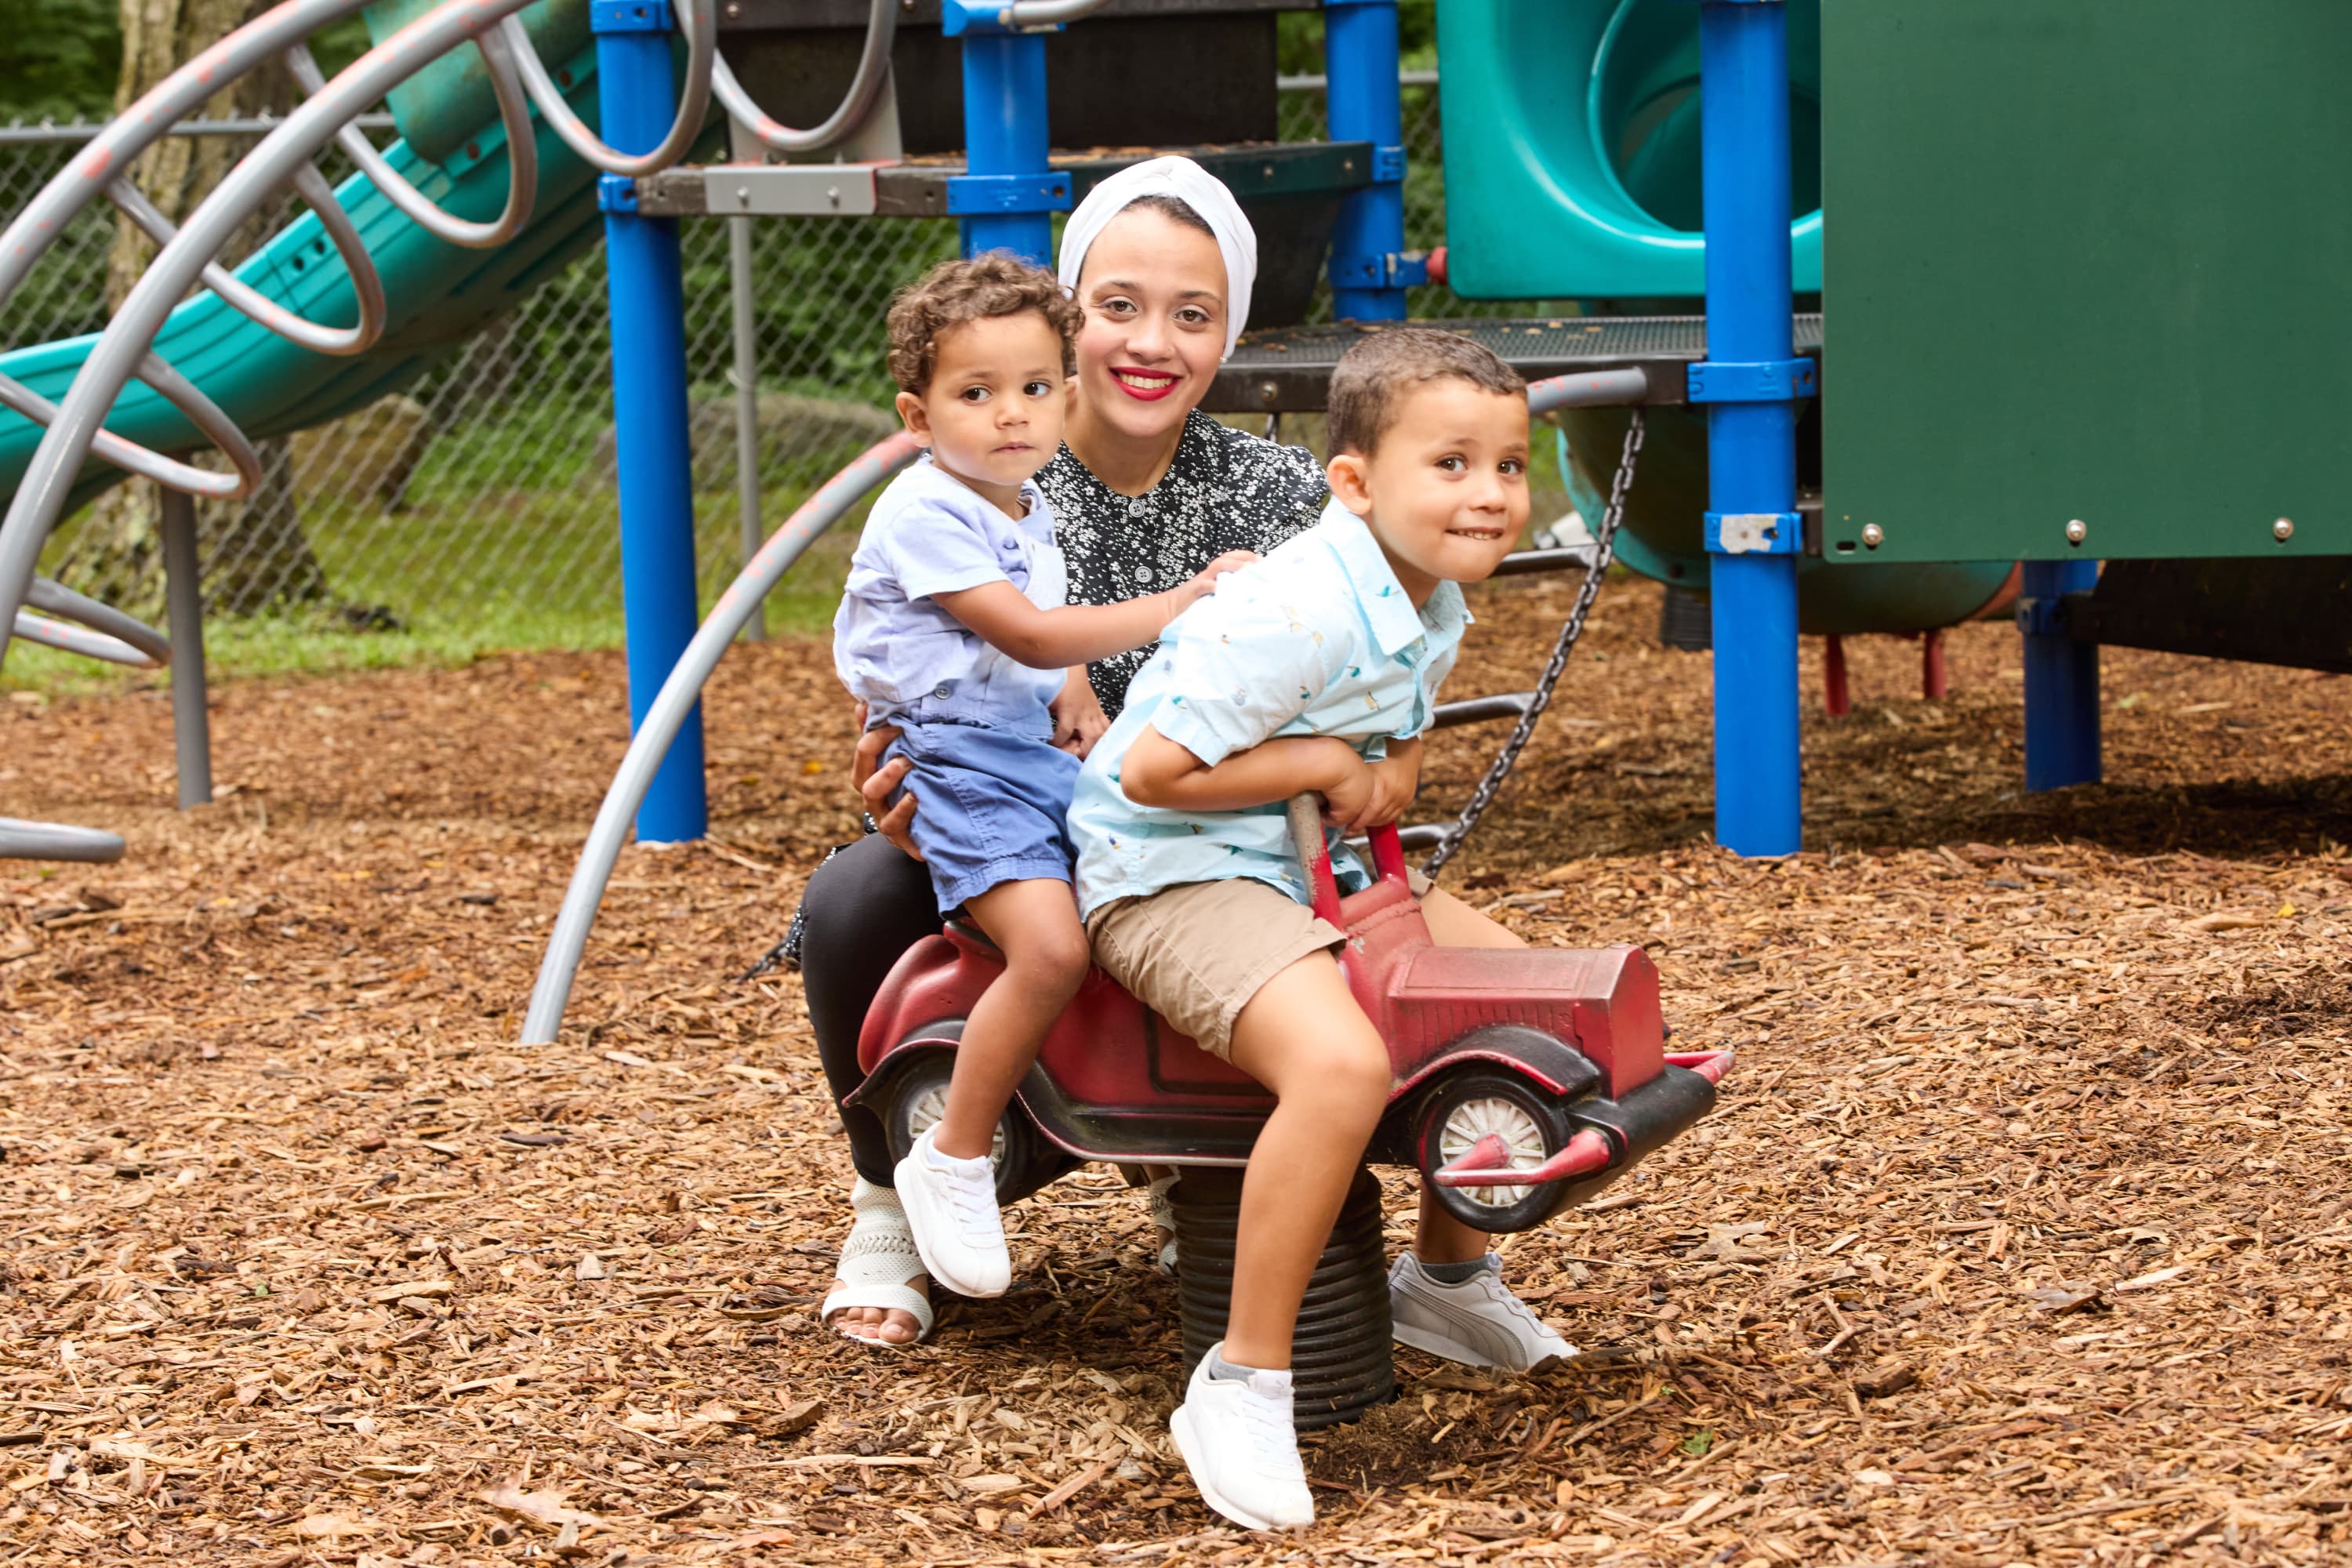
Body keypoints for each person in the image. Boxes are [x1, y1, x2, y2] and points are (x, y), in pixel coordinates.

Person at [804, 160, 1561, 1375]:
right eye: (1117, 306)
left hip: (1215, 828)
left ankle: (1329, 1218)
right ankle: (896, 1202)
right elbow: (909, 686)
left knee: (1428, 965)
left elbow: (1377, 649)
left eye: (1192, 314)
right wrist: (901, 785)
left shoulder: (1275, 489)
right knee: (855, 898)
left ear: (1230, 333)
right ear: (1065, 314)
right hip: (1027, 807)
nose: (1150, 342)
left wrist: (1373, 764)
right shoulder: (989, 451)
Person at [1067, 327, 1556, 1530]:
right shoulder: (1291, 610)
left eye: (1508, 465)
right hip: (1169, 874)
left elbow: (1386, 729)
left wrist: (1380, 761)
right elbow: (1155, 771)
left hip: (1303, 860)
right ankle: (1240, 1381)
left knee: (1529, 1005)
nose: (1489, 494)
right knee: (1340, 1068)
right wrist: (1332, 758)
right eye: (1451, 464)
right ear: (1354, 482)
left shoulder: (1424, 588)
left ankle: (1443, 1280)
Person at [833, 252, 1250, 1298]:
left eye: (1030, 390)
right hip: (953, 763)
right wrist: (1184, 602)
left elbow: (1038, 630)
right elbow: (1021, 628)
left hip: (1018, 753)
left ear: (1064, 397)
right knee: (1053, 949)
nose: (1010, 415)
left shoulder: (1025, 506)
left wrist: (1075, 690)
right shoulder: (928, 509)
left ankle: (1168, 1141)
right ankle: (952, 1157)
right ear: (917, 417)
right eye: (975, 394)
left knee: (1149, 886)